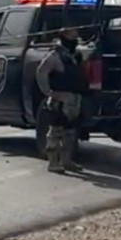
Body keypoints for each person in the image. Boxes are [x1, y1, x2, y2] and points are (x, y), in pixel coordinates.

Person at [36, 26, 86, 173]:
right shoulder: (55, 56)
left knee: (71, 132)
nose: (75, 39)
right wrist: (48, 92)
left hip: (74, 98)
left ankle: (67, 160)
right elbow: (41, 72)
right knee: (55, 131)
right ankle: (53, 162)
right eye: (72, 36)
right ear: (64, 36)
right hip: (60, 99)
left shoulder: (76, 55)